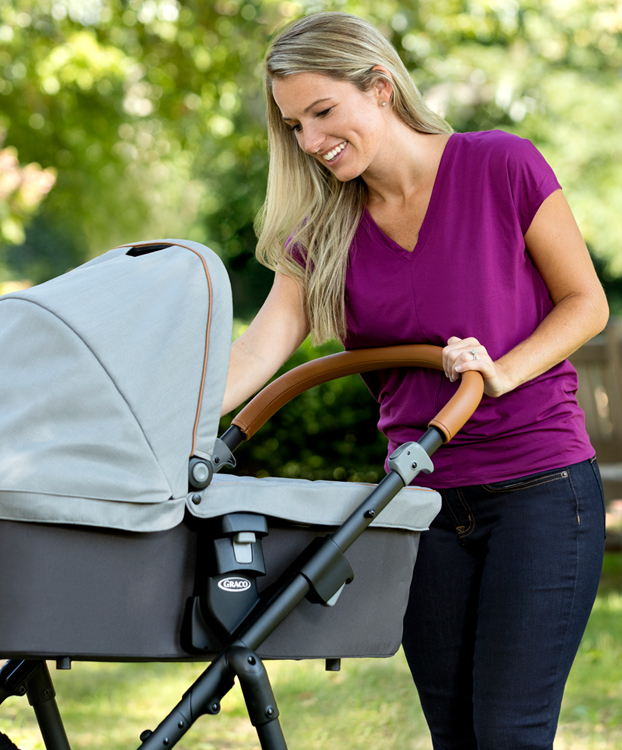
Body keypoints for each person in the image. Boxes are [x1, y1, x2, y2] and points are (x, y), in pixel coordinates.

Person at [220, 11, 609, 750]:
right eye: (294, 125)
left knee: (508, 734)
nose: (309, 141)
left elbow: (585, 301)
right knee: (454, 736)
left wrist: (502, 372)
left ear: (380, 87)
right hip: (417, 505)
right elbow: (254, 357)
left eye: (322, 112)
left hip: (540, 488)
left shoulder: (502, 166)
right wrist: (153, 411)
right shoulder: (324, 233)